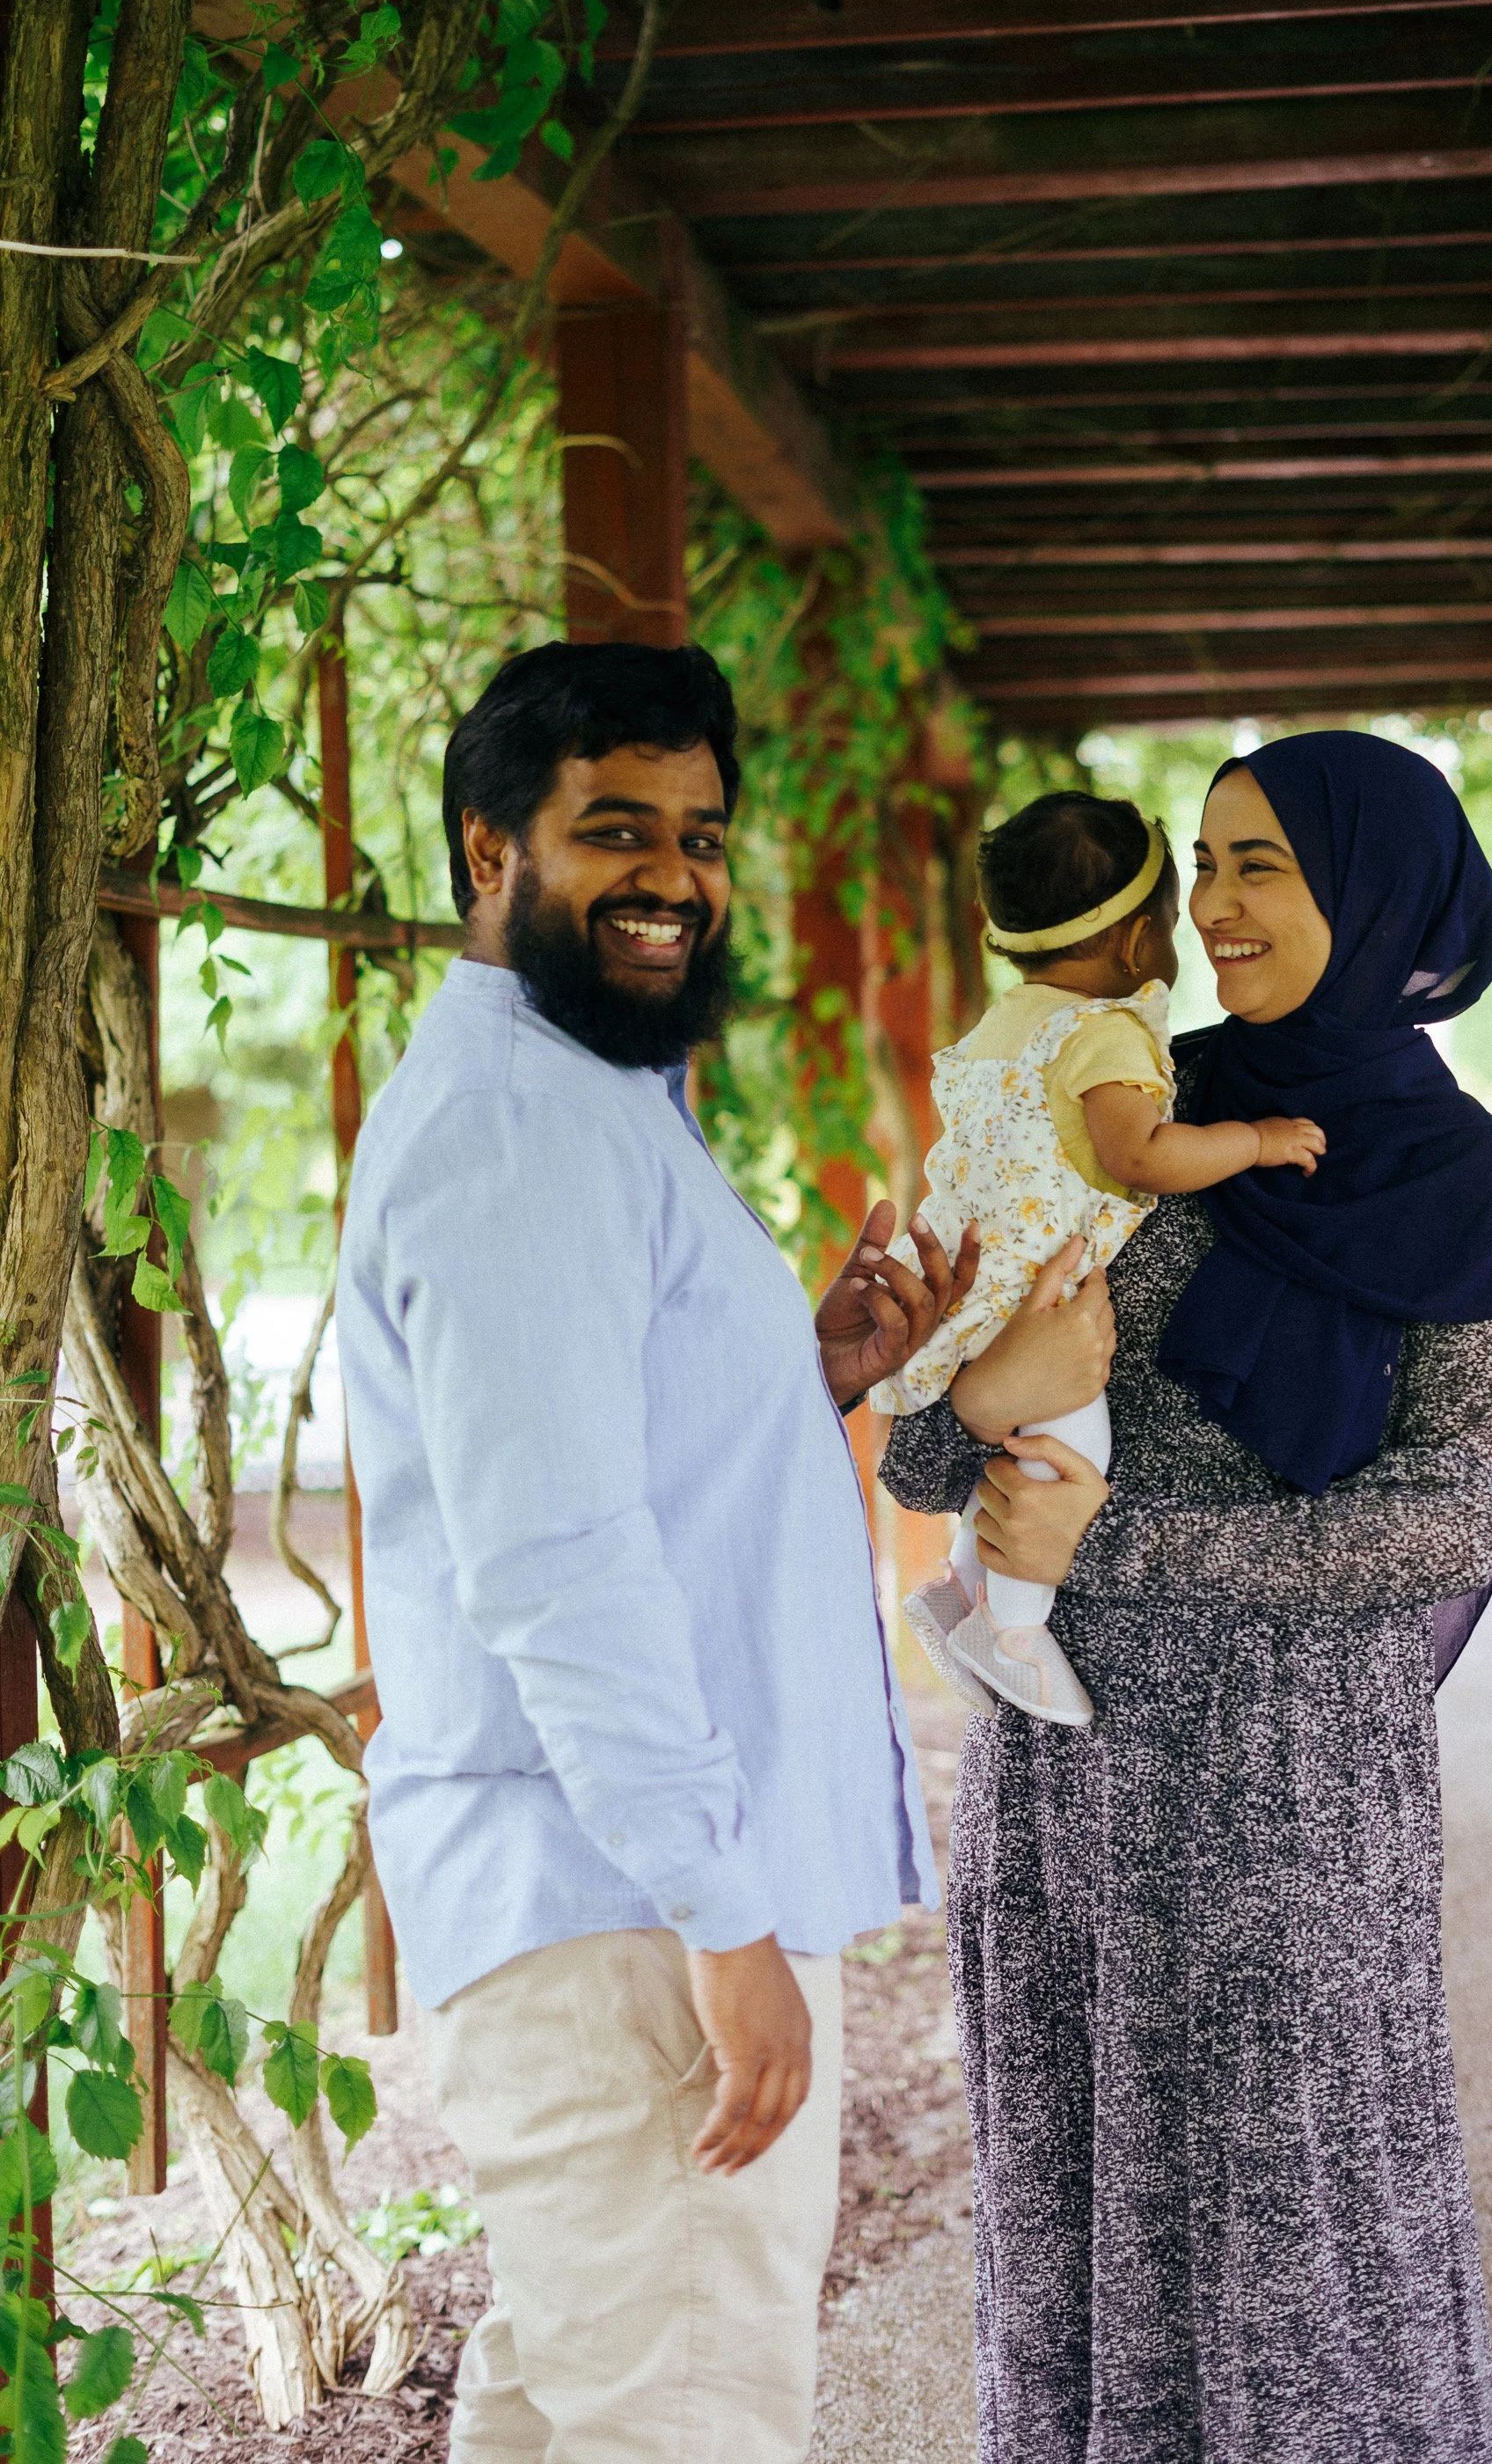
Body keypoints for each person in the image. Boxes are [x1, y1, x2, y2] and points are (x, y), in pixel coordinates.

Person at [881, 731, 1492, 2463]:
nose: (1208, 905)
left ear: (1375, 889)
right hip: (1065, 1804)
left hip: (1296, 1823)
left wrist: (1109, 1548)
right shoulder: (1118, 1111)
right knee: (1071, 2252)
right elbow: (922, 1462)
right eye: (1198, 863)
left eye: (1255, 864)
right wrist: (946, 1391)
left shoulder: (1470, 1191)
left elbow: (1444, 1517)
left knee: (1302, 2279)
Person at [335, 640, 977, 2464]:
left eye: (700, 835)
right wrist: (721, 1910)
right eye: (614, 829)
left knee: (577, 2410)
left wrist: (810, 1372)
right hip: (619, 1906)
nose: (674, 878)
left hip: (608, 1896)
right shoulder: (520, 1129)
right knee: (681, 2423)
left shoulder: (587, 1093)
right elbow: (555, 1560)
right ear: (487, 850)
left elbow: (600, 1444)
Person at [871, 791, 1324, 1728]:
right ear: (1130, 946)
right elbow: (1139, 1155)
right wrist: (1253, 1140)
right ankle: (1018, 1636)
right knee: (1068, 1444)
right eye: (1171, 913)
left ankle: (962, 1590)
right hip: (1042, 1284)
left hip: (971, 1276)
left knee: (1008, 1449)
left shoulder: (1005, 1026)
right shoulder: (1105, 1032)